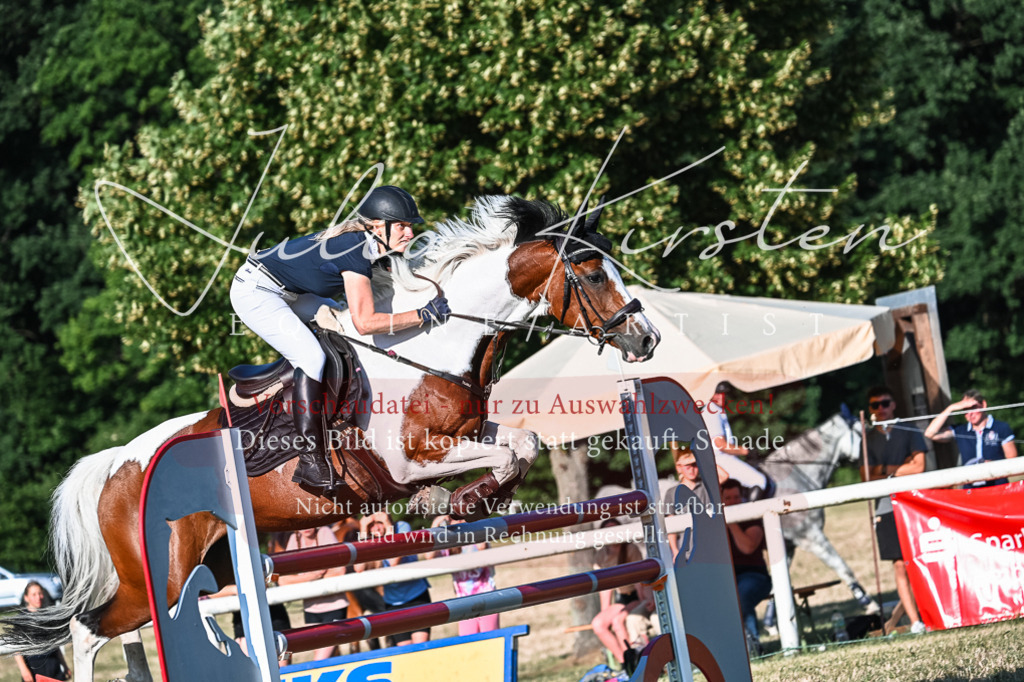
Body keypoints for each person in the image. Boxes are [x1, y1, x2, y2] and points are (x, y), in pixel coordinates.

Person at [230, 185, 451, 492]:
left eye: (410, 226)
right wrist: (422, 315)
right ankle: (311, 459)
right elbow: (366, 323)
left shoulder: (370, 245)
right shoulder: (355, 249)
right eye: (402, 225)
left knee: (340, 327)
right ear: (377, 226)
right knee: (311, 357)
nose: (409, 233)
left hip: (293, 292)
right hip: (257, 292)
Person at [861, 385, 927, 635]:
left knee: (919, 560)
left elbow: (919, 465)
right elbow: (865, 475)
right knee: (899, 565)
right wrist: (900, 467)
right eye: (875, 405)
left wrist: (886, 471)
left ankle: (931, 611)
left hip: (913, 502)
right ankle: (915, 621)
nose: (880, 409)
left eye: (885, 403)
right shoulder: (868, 438)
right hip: (885, 508)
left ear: (893, 404)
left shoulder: (909, 428)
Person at [355, 512, 433, 646]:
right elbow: (358, 567)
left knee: (421, 648)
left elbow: (393, 560)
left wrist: (388, 525)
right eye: (371, 526)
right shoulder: (371, 539)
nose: (377, 529)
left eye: (379, 523)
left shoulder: (402, 527)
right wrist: (362, 529)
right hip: (393, 603)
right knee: (405, 652)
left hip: (416, 597)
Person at [277, 526, 350, 660]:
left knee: (320, 659)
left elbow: (340, 570)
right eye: (300, 523)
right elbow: (282, 580)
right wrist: (312, 577)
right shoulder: (295, 539)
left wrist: (303, 581)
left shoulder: (324, 533)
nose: (306, 527)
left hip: (334, 606)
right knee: (324, 658)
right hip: (311, 609)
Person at [924, 389, 1017, 488]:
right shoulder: (961, 430)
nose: (970, 414)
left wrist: (993, 467)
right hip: (971, 491)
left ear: (983, 405)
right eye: (965, 410)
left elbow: (1012, 460)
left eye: (973, 408)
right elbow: (930, 433)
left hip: (998, 487)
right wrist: (951, 408)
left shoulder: (1001, 427)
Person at [721, 479, 772, 658]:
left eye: (736, 497)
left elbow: (748, 547)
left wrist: (731, 523)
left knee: (740, 595)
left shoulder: (751, 516)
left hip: (755, 575)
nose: (733, 501)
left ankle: (752, 646)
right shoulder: (713, 520)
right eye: (728, 498)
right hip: (727, 577)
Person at [703, 381, 774, 500]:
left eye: (723, 393)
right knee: (758, 480)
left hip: (723, 458)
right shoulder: (712, 410)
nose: (721, 397)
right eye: (717, 394)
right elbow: (721, 445)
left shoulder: (717, 410)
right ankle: (751, 517)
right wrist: (746, 451)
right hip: (719, 459)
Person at [590, 519, 646, 670]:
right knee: (598, 624)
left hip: (635, 595)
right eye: (609, 532)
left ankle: (634, 661)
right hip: (621, 599)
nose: (613, 535)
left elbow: (639, 580)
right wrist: (605, 611)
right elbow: (604, 587)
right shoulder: (601, 556)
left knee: (618, 621)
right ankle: (624, 662)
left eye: (615, 531)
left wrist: (644, 603)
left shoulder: (630, 549)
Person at [431, 514, 500, 635]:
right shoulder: (449, 546)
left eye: (463, 518)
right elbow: (429, 556)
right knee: (468, 642)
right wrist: (435, 525)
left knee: (491, 639)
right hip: (463, 602)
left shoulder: (477, 538)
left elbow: (482, 546)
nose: (460, 522)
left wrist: (473, 525)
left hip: (487, 597)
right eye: (455, 518)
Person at [663, 442, 722, 559]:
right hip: (686, 550)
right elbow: (671, 525)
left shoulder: (706, 486)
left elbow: (724, 476)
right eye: (687, 466)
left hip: (710, 547)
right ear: (679, 468)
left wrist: (703, 460)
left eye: (695, 464)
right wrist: (675, 551)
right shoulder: (672, 492)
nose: (692, 469)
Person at [14, 582, 69, 681]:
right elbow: (17, 649)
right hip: (34, 669)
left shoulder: (48, 617)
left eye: (40, 593)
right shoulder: (21, 620)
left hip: (54, 668)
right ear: (26, 597)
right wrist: (24, 670)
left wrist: (64, 665)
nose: (38, 597)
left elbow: (55, 645)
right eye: (34, 594)